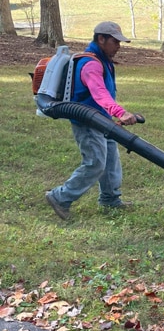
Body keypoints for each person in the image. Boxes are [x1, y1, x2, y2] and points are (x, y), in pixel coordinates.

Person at [45, 21, 139, 220]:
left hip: (102, 120)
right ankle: (60, 197)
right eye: (115, 42)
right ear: (101, 39)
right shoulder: (91, 64)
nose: (119, 47)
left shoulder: (102, 59)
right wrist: (119, 112)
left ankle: (110, 199)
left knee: (111, 160)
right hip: (88, 122)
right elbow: (99, 93)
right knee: (95, 163)